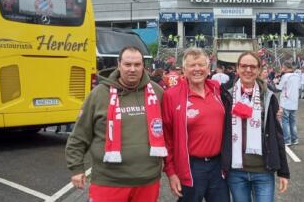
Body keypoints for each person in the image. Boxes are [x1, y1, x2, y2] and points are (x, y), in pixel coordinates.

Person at [65, 46, 166, 202]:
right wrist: (76, 168)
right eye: (127, 64)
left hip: (148, 181)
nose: (132, 69)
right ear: (119, 65)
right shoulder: (98, 94)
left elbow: (170, 134)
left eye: (137, 64)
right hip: (109, 182)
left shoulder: (157, 92)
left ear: (143, 66)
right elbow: (79, 134)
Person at [162, 48, 230, 202]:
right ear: (184, 70)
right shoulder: (171, 96)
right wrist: (171, 173)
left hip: (218, 165)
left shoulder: (217, 90)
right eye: (192, 65)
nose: (197, 69)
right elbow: (167, 139)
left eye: (201, 65)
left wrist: (272, 109)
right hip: (191, 167)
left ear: (208, 68)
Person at [222, 51, 289, 202]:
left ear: (259, 70)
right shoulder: (225, 94)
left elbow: (277, 134)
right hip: (236, 170)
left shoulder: (268, 96)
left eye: (252, 66)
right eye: (244, 66)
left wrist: (283, 172)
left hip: (263, 170)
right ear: (237, 68)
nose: (248, 70)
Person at [275, 62, 301, 146]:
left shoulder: (285, 76)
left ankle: (287, 140)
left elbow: (279, 88)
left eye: (282, 67)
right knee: (292, 121)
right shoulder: (297, 76)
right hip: (294, 102)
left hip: (286, 102)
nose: (282, 69)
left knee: (285, 121)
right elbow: (299, 87)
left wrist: (275, 82)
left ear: (285, 67)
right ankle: (295, 139)